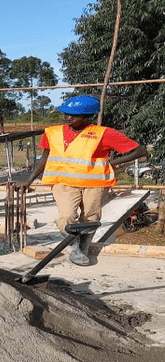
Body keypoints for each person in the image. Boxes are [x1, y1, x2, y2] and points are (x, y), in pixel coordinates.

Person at [21, 95, 148, 265]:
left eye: (74, 115)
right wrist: (28, 181)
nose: (68, 118)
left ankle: (84, 247)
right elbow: (44, 158)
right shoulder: (52, 132)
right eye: (66, 113)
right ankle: (73, 248)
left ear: (88, 116)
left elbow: (140, 151)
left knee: (90, 218)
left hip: (94, 184)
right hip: (63, 182)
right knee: (66, 217)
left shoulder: (103, 134)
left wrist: (113, 162)